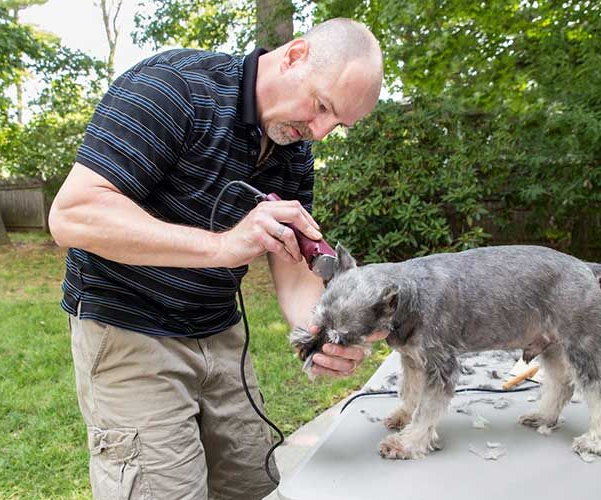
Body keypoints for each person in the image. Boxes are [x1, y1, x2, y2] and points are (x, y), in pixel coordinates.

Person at [48, 18, 385, 500]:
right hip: (129, 329)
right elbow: (73, 214)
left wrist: (321, 332)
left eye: (338, 124)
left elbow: (291, 261)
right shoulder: (175, 88)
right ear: (294, 56)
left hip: (219, 331)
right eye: (322, 106)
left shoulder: (294, 148)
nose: (321, 131)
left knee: (252, 484)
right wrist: (223, 246)